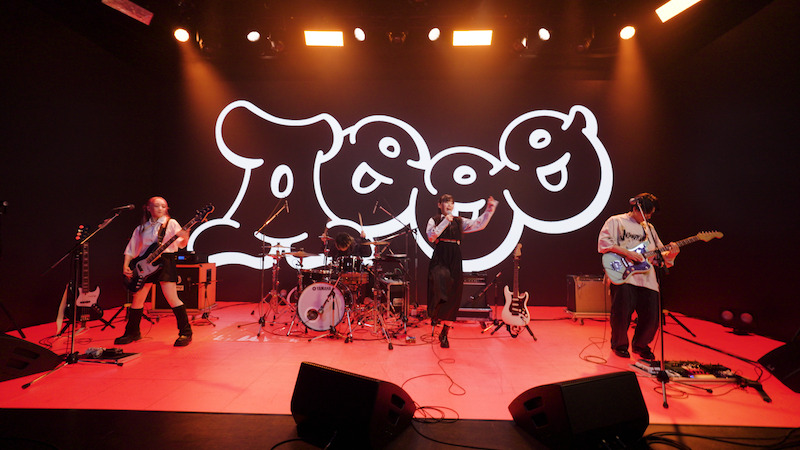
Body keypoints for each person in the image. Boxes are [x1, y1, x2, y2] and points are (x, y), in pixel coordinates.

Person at [598, 193, 680, 360]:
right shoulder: (616, 221)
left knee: (652, 316)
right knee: (622, 313)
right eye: (647, 212)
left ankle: (641, 345)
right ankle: (619, 345)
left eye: (651, 213)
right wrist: (627, 253)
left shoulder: (649, 229)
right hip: (623, 274)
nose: (648, 216)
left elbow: (658, 255)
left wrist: (672, 253)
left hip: (647, 278)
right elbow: (604, 243)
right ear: (635, 208)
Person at [115, 196, 193, 347]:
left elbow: (181, 244)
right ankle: (132, 332)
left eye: (164, 206)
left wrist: (185, 236)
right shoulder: (141, 228)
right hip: (145, 265)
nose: (161, 209)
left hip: (165, 262)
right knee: (138, 299)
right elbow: (131, 248)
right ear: (148, 208)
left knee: (172, 298)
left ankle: (186, 332)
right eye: (157, 206)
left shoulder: (171, 223)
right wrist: (126, 265)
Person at [426, 194, 498, 348]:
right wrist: (445, 221)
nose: (449, 205)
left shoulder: (459, 221)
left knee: (454, 293)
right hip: (440, 255)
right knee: (438, 286)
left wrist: (489, 209)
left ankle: (445, 332)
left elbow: (478, 224)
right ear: (439, 205)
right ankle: (436, 315)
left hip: (454, 256)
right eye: (446, 202)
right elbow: (431, 237)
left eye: (451, 203)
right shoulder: (434, 220)